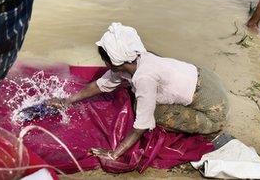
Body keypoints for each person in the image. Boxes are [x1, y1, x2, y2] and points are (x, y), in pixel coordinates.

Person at [52, 24, 228, 163]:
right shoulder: (137, 58)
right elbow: (101, 85)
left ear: (112, 62)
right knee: (141, 101)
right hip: (208, 79)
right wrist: (67, 101)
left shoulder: (144, 77)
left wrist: (114, 153)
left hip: (213, 109)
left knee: (151, 112)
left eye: (104, 60)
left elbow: (142, 125)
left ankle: (211, 128)